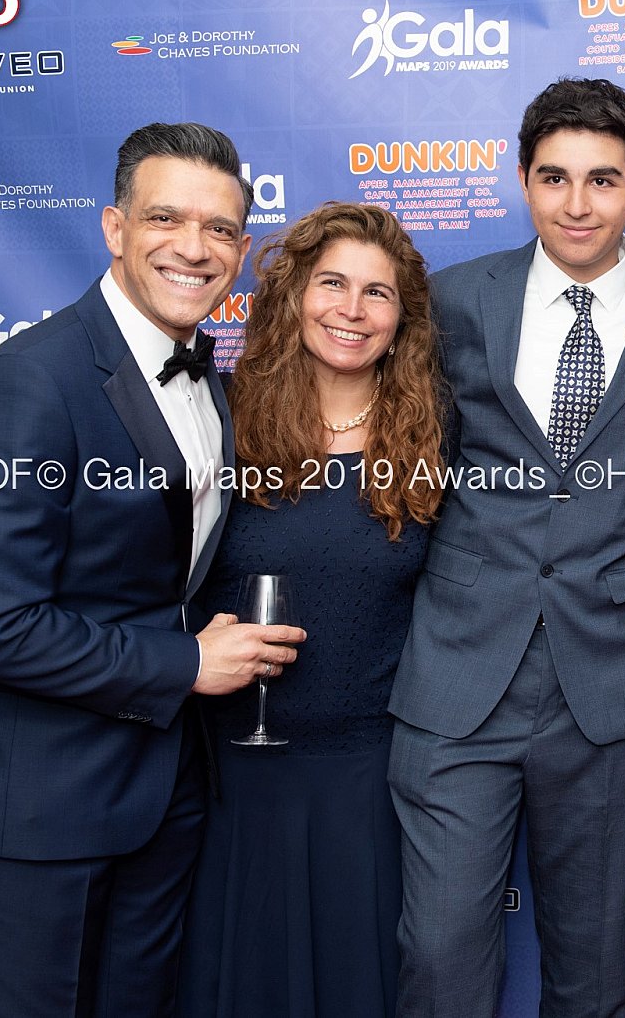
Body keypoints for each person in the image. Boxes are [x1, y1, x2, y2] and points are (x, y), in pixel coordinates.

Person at [0, 122, 305, 1018]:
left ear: (241, 249)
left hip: (162, 794)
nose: (194, 248)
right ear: (114, 228)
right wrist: (187, 662)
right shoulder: (30, 381)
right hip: (35, 804)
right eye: (166, 218)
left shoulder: (214, 384)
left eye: (219, 228)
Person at [387, 78, 625, 1016]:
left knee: (590, 968)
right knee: (439, 954)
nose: (577, 204)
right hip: (459, 668)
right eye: (555, 177)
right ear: (522, 180)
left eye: (603, 179)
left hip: (609, 677)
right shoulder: (453, 299)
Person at [179, 202, 446, 1017]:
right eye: (332, 283)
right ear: (294, 295)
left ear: (403, 320)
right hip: (235, 776)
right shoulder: (221, 419)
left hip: (367, 781)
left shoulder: (433, 437)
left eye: (377, 292)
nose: (351, 309)